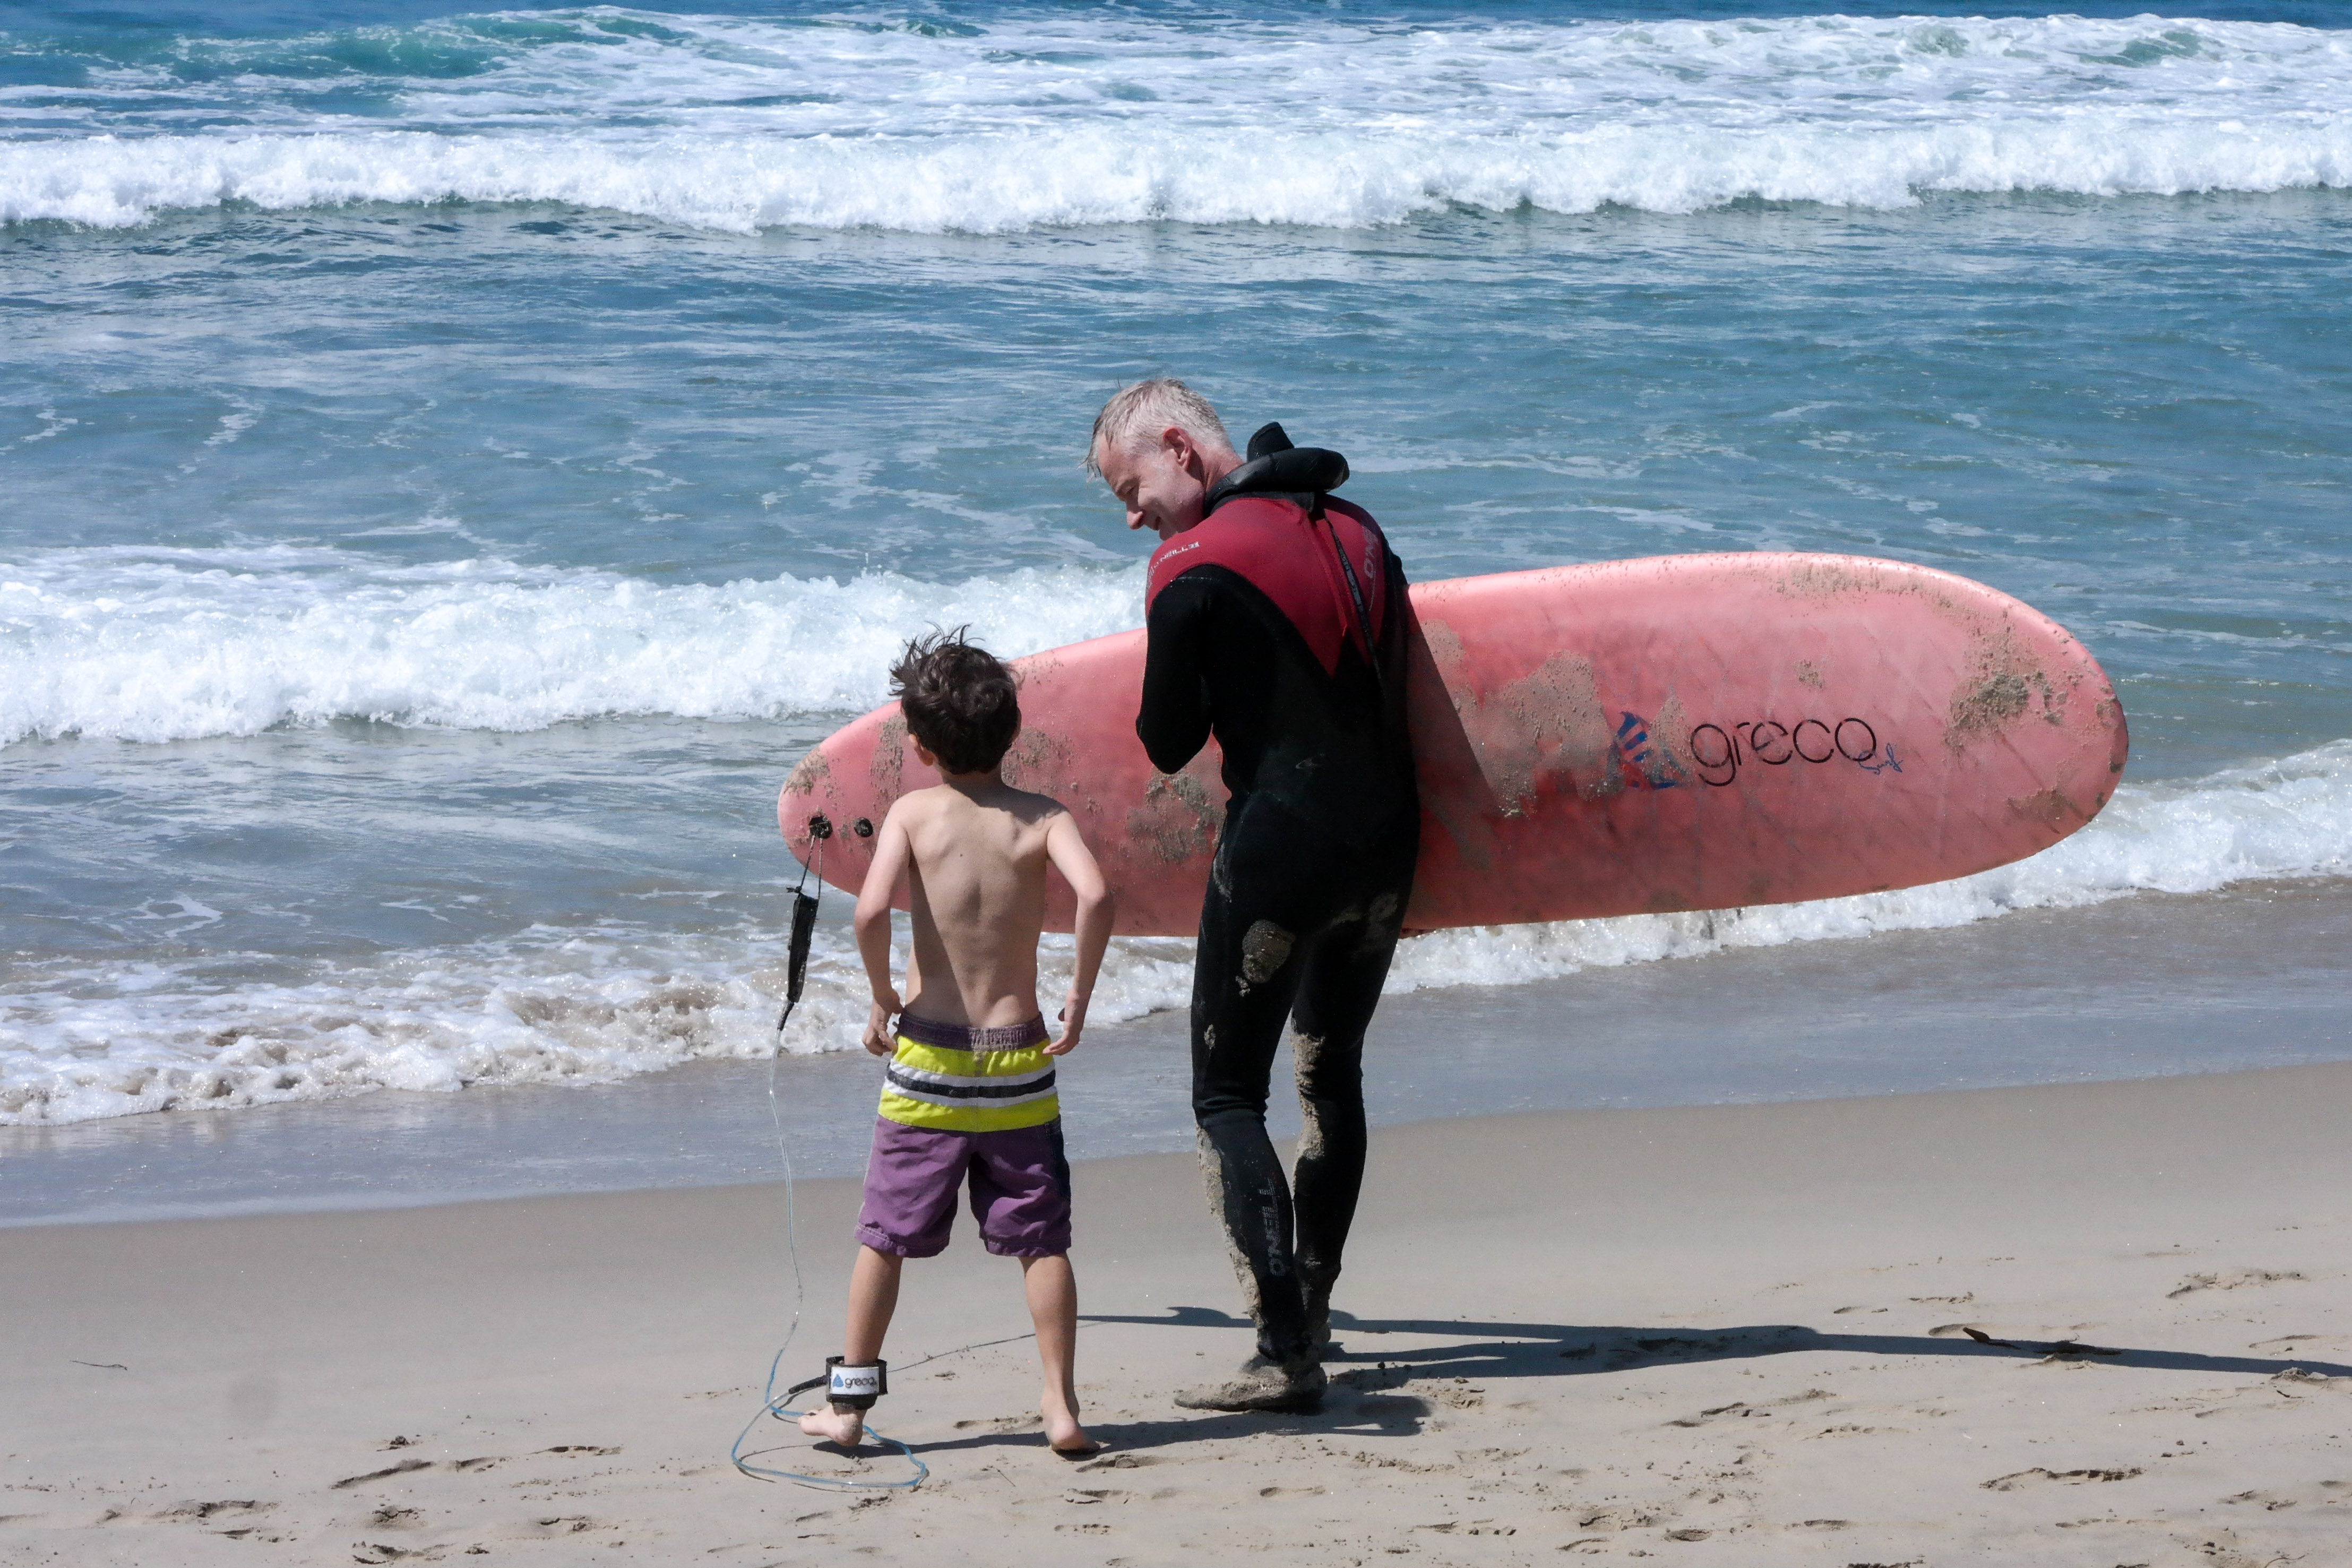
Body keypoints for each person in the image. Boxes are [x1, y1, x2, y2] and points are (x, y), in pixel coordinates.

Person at [1088, 379, 1418, 1412]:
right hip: (1388, 849)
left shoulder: (1186, 565)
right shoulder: (1359, 530)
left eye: (1130, 489)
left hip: (1280, 852)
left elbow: (1166, 740)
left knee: (1228, 1096)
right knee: (1331, 1072)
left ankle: (1282, 1353)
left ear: (1179, 447)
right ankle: (1310, 1308)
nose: (1132, 516)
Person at [797, 631, 1116, 1458]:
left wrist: (882, 997)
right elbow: (1096, 894)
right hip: (1018, 1062)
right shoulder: (1043, 818)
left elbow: (871, 912)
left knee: (885, 1237)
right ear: (1014, 733)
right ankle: (1060, 1405)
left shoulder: (912, 814)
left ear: (920, 744)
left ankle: (849, 1409)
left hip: (929, 1065)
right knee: (1041, 1238)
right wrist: (1077, 997)